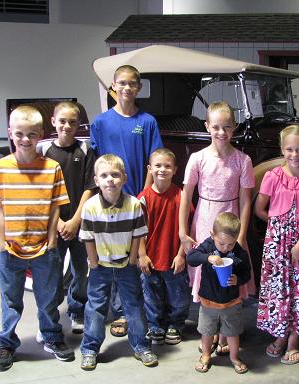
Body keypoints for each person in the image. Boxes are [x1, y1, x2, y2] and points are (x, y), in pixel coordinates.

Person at [0, 105, 74, 372]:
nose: (25, 140)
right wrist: (1, 242)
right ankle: (6, 343)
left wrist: (52, 241)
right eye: (20, 134)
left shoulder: (52, 168)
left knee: (48, 298)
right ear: (10, 133)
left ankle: (52, 336)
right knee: (10, 300)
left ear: (41, 135)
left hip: (45, 249)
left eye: (32, 134)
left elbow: (56, 206)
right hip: (10, 249)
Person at [90, 64, 163, 337]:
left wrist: (143, 196)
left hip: (137, 200)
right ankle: (119, 312)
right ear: (113, 86)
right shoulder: (100, 122)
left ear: (139, 87)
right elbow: (96, 164)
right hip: (109, 203)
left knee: (137, 257)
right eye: (121, 83)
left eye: (132, 83)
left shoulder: (147, 122)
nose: (126, 88)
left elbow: (152, 163)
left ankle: (139, 309)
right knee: (112, 258)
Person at [179, 101, 255, 355]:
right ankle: (209, 330)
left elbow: (246, 199)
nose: (221, 133)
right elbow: (186, 195)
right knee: (209, 270)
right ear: (207, 127)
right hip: (205, 218)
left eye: (227, 127)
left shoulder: (242, 160)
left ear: (234, 128)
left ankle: (227, 332)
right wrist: (182, 230)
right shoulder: (197, 158)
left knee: (230, 267)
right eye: (216, 127)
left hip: (231, 216)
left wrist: (242, 233)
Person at [78, 154, 157, 370]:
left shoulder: (133, 205)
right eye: (104, 175)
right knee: (95, 307)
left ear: (124, 178)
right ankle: (89, 349)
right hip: (100, 267)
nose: (110, 179)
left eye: (115, 175)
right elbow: (87, 237)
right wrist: (93, 263)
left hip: (126, 267)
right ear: (96, 181)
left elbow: (137, 234)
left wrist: (133, 259)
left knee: (133, 306)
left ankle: (141, 346)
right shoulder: (91, 207)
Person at [254, 125, 299, 365]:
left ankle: (294, 340)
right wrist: (277, 228)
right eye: (290, 149)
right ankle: (280, 335)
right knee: (278, 290)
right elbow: (260, 209)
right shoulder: (273, 177)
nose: (295, 155)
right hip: (276, 245)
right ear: (282, 150)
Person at [37, 101, 96, 334]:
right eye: (62, 121)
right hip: (54, 226)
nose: (67, 126)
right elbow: (42, 192)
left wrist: (75, 221)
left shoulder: (85, 151)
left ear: (79, 124)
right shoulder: (43, 152)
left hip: (79, 225)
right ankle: (50, 318)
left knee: (81, 270)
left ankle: (77, 309)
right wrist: (60, 222)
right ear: (53, 122)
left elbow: (89, 188)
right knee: (52, 273)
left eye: (72, 122)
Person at [137, 148, 192, 346]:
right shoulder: (143, 198)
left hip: (173, 258)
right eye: (158, 166)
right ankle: (155, 326)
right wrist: (142, 255)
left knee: (178, 296)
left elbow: (186, 229)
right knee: (151, 296)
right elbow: (137, 231)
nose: (162, 170)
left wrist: (181, 255)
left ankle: (175, 325)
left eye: (167, 166)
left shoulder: (181, 196)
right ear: (150, 169)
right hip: (150, 259)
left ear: (175, 169)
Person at [187, 212, 251, 374]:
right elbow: (191, 258)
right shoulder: (207, 246)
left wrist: (238, 279)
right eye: (221, 243)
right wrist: (208, 258)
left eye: (230, 244)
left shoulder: (239, 252)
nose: (225, 248)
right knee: (207, 332)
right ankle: (206, 355)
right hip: (209, 301)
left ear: (237, 237)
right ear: (212, 234)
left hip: (232, 302)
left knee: (233, 333)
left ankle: (235, 357)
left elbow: (246, 273)